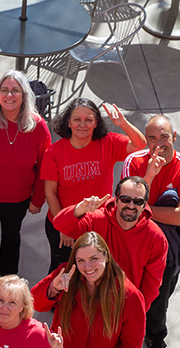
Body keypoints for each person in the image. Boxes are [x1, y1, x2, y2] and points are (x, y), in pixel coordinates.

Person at [51, 176, 167, 348]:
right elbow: (61, 223)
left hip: (125, 308)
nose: (130, 206)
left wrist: (135, 313)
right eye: (125, 199)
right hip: (88, 300)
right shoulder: (97, 220)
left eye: (138, 201)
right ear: (116, 199)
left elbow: (152, 284)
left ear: (145, 204)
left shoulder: (156, 237)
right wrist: (81, 209)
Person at [122, 114, 180, 348]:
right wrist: (148, 176)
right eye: (152, 138)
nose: (158, 143)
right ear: (145, 140)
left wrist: (142, 208)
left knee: (159, 297)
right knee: (126, 291)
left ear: (174, 137)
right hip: (134, 237)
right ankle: (125, 333)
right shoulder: (133, 162)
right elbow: (126, 210)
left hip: (168, 246)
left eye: (164, 136)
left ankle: (156, 337)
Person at [0, 70, 52, 301]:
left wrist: (38, 199)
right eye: (4, 90)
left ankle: (6, 282)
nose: (9, 95)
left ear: (24, 96)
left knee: (11, 238)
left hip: (17, 198)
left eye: (15, 90)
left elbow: (43, 167)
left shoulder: (37, 126)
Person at [40, 98, 145, 273]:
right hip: (65, 224)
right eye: (77, 119)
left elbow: (140, 146)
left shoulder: (108, 142)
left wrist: (123, 123)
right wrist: (63, 226)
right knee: (63, 275)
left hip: (98, 224)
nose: (83, 124)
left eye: (88, 120)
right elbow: (50, 193)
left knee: (95, 273)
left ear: (96, 123)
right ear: (68, 122)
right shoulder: (54, 152)